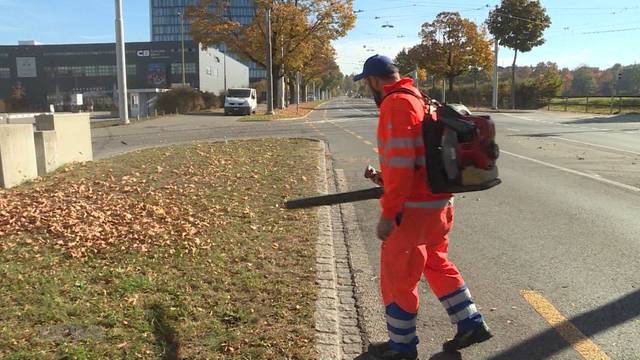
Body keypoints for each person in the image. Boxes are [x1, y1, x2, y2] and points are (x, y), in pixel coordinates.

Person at [353, 55, 493, 359]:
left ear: (374, 81)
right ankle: (470, 322)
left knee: (398, 276)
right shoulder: (420, 98)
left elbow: (402, 163)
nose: (368, 89)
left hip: (411, 211)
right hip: (439, 203)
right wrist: (383, 179)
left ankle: (401, 347)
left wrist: (389, 213)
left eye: (367, 84)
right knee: (435, 261)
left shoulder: (394, 104)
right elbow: (420, 160)